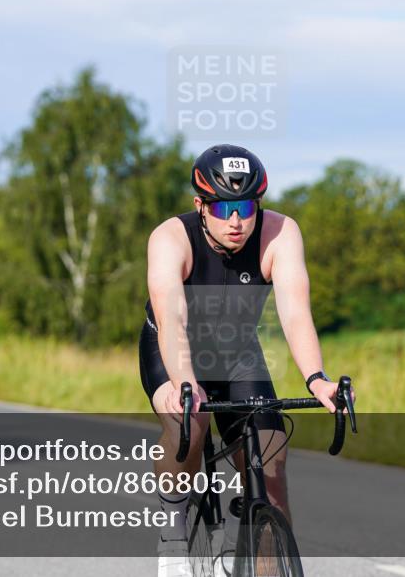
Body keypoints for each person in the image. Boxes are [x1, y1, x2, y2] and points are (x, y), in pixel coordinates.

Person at [141, 144, 350, 577]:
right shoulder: (169, 238)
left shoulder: (280, 233)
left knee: (271, 464)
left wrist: (317, 379)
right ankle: (174, 527)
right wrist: (185, 382)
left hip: (238, 352)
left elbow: (295, 314)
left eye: (246, 206)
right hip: (174, 347)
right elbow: (173, 319)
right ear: (200, 205)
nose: (236, 221)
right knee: (189, 422)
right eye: (222, 208)